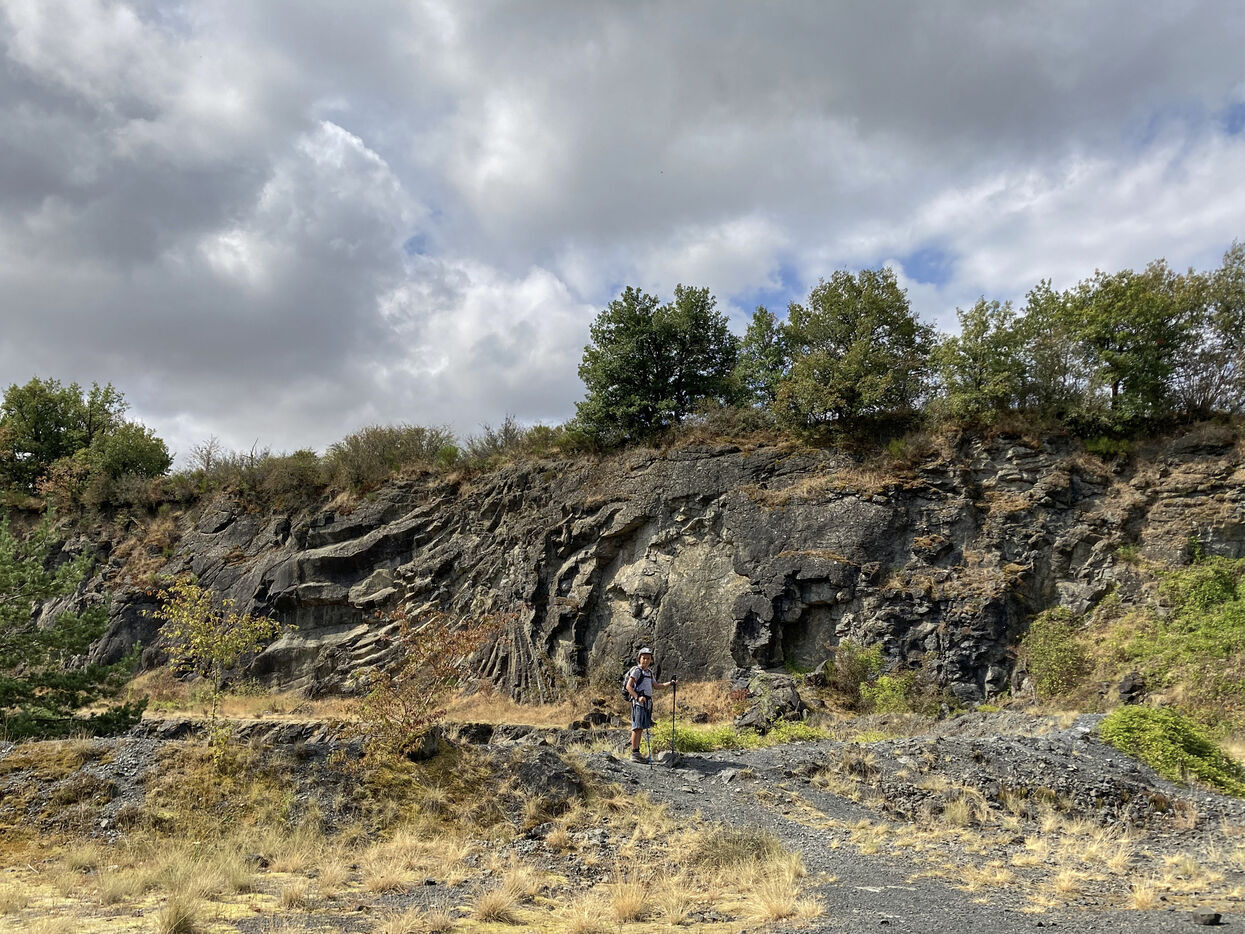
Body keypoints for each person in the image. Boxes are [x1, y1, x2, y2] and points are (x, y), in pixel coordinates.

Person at [625, 647, 676, 763]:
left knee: (641, 728)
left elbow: (657, 686)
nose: (646, 661)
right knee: (637, 727)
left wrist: (670, 683)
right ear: (639, 659)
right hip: (639, 702)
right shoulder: (637, 671)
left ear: (651, 660)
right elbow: (629, 686)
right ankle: (634, 754)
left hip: (647, 703)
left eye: (648, 658)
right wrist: (638, 697)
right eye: (644, 658)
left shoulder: (649, 673)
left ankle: (636, 753)